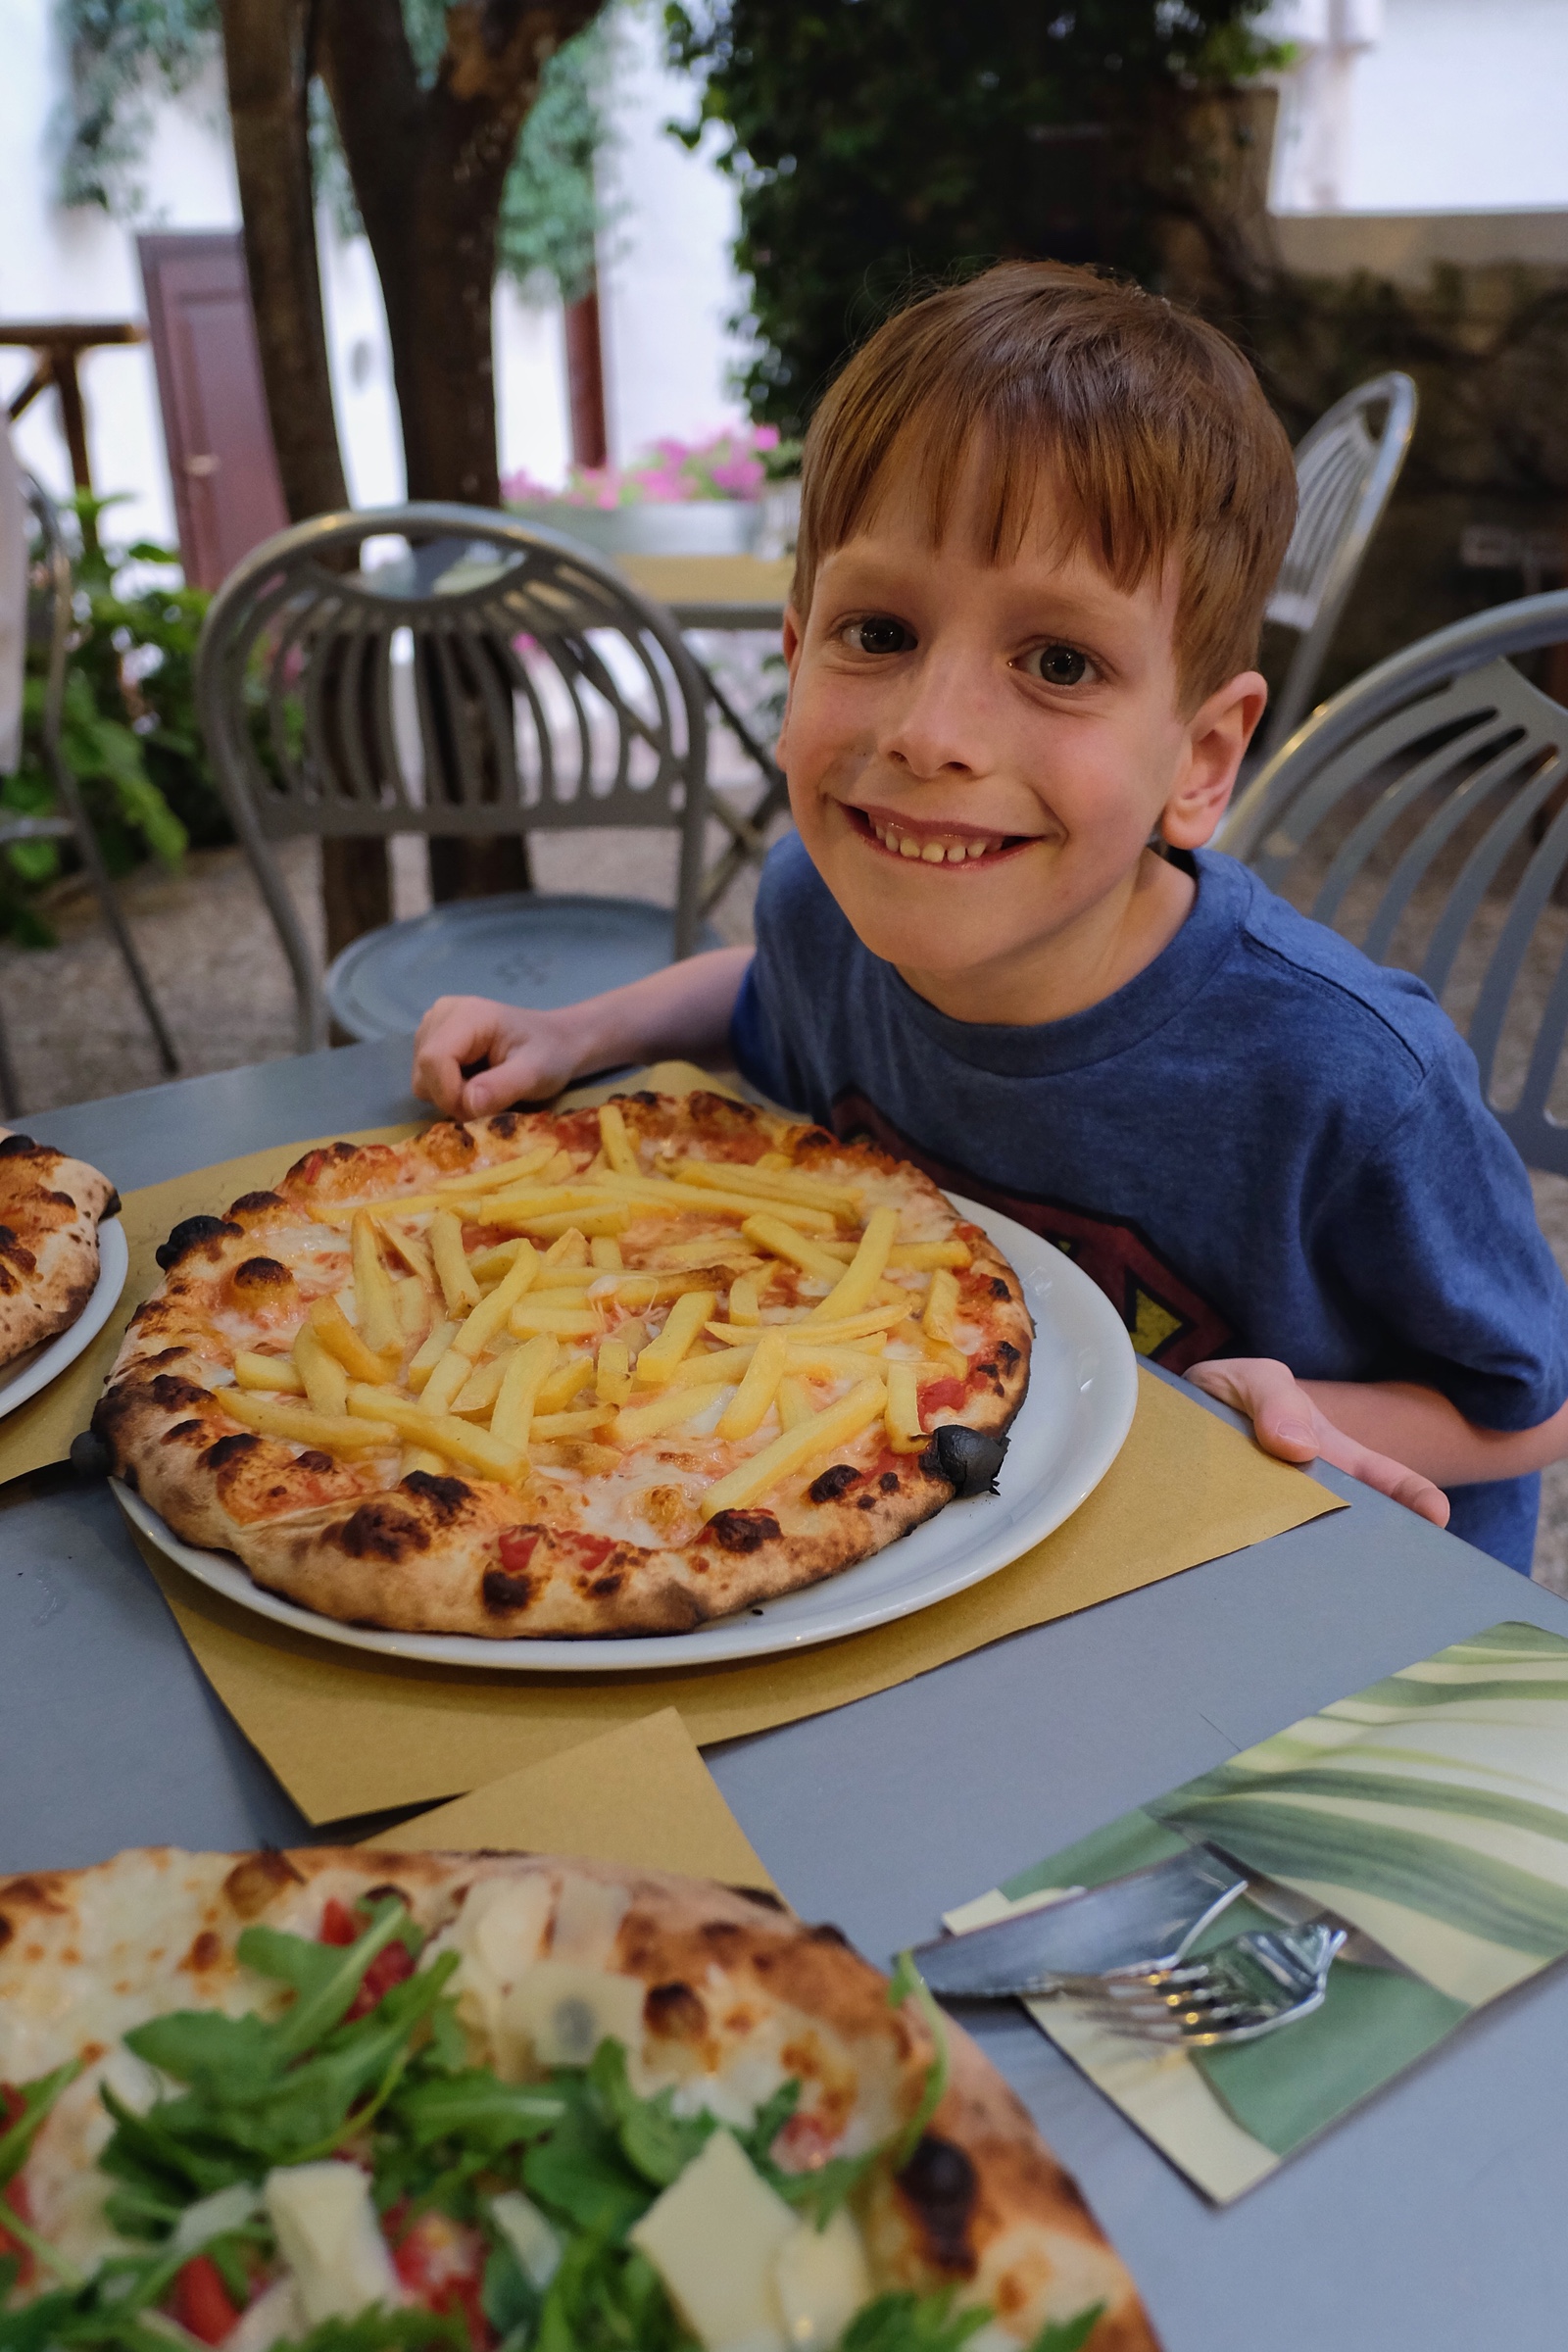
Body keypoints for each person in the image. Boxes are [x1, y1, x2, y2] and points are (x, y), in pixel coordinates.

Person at [412, 261, 1568, 1572]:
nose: (932, 733)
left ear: (1201, 758)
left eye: (1059, 662)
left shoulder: (1346, 1077)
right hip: (961, 1558)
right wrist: (577, 1031)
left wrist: (1294, 1411)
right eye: (881, 632)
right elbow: (761, 993)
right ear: (797, 658)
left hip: (1303, 1603)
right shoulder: (823, 910)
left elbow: (1533, 1407)